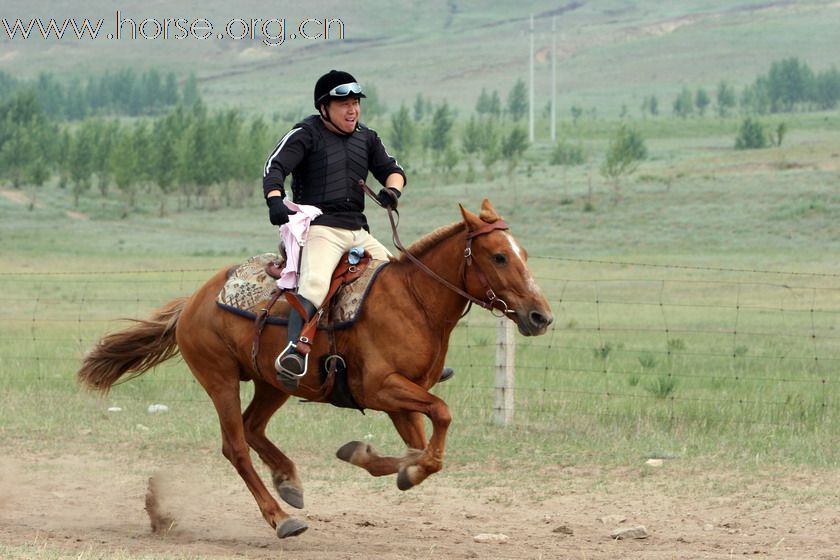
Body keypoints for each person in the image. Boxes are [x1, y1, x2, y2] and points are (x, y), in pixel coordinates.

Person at [262, 70, 453, 389]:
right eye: (343, 105)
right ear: (324, 108)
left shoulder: (368, 137)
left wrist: (393, 191)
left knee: (401, 283)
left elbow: (393, 170)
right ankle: (294, 353)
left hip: (358, 231)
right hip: (321, 226)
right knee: (316, 283)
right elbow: (275, 167)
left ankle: (423, 360)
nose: (352, 110)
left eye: (355, 104)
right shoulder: (305, 134)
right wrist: (275, 200)